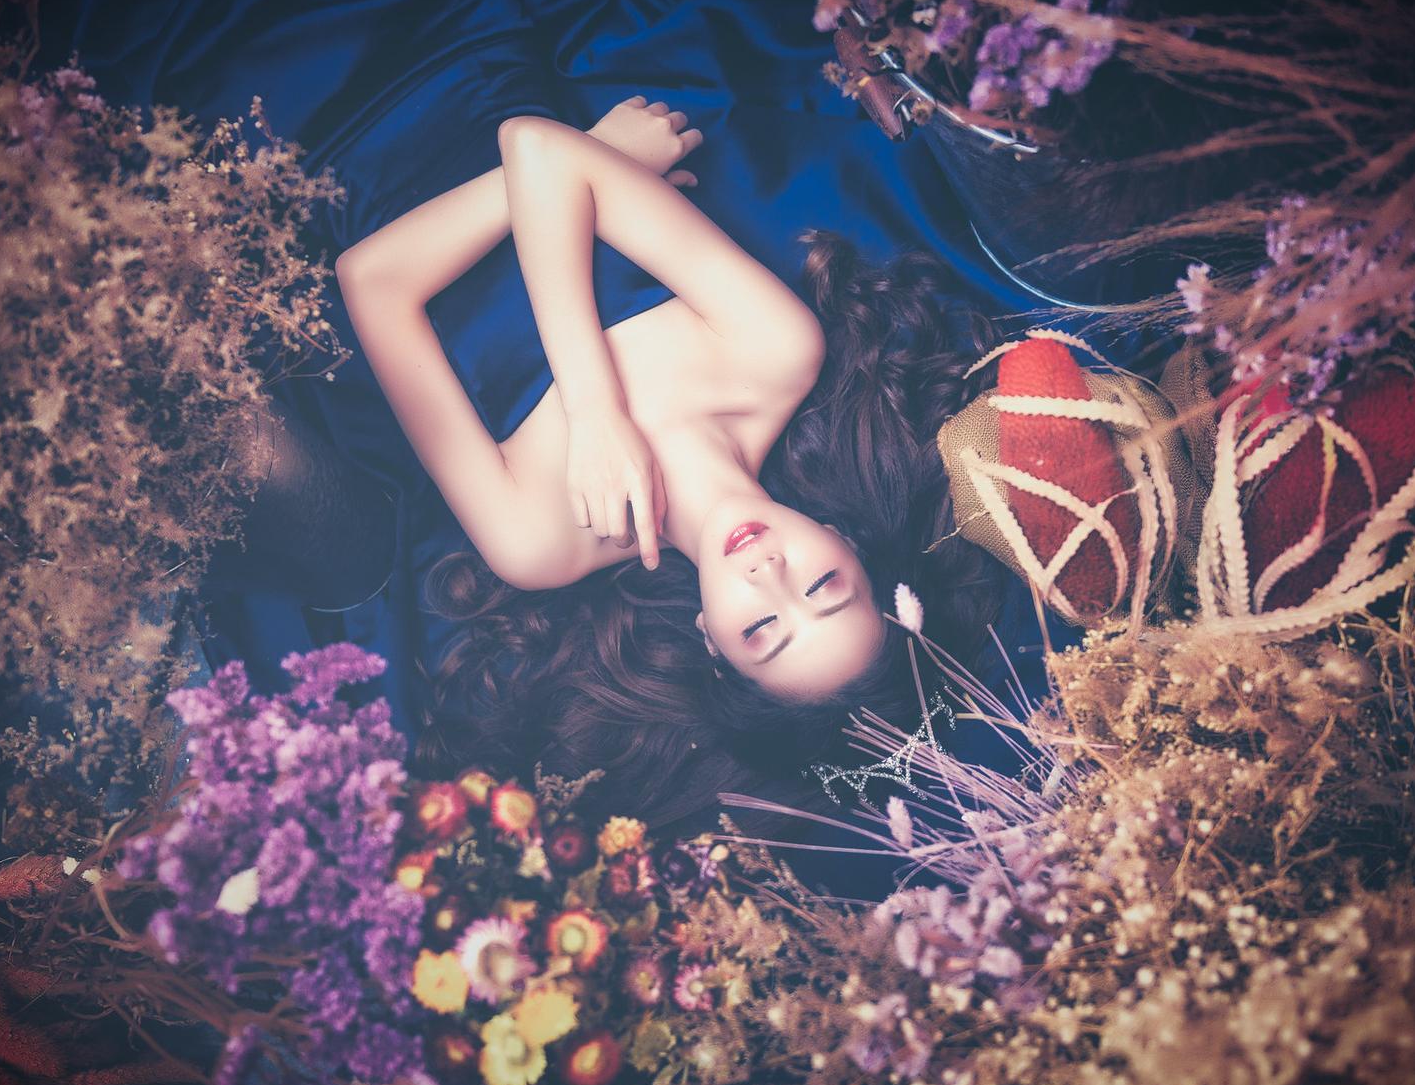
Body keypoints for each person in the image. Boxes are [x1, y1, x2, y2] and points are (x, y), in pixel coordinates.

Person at [242, 95, 1007, 833]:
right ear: (846, 541)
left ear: (711, 642)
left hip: (306, 164)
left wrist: (595, 160)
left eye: (763, 629)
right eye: (823, 586)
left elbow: (371, 278)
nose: (768, 572)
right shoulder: (779, 354)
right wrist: (595, 410)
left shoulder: (538, 544)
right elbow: (531, 141)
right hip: (467, 58)